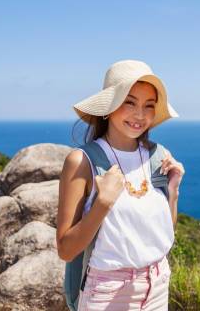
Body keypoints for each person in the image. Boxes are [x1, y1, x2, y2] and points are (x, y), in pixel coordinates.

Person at [57, 60, 185, 311]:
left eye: (149, 106)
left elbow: (163, 231)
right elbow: (66, 249)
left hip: (157, 284)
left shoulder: (159, 156)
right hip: (107, 292)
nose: (140, 115)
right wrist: (102, 203)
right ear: (109, 106)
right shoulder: (82, 162)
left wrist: (173, 191)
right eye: (130, 102)